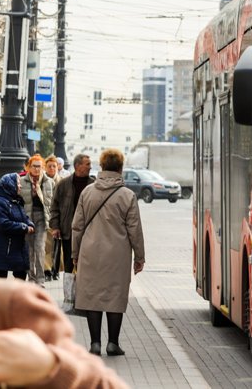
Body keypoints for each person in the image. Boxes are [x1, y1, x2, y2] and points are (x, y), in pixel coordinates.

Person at [0, 258, 129, 388]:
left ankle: (97, 342)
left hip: (93, 257)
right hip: (110, 260)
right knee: (108, 299)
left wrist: (50, 367)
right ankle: (105, 342)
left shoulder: (1, 305)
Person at [72, 148, 145, 357]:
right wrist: (139, 257)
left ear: (101, 167)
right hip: (118, 255)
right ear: (120, 168)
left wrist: (75, 253)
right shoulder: (127, 195)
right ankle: (113, 343)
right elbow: (135, 229)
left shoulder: (87, 192)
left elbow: (77, 226)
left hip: (89, 253)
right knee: (114, 295)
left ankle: (95, 343)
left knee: (91, 296)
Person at [50, 154, 94, 275]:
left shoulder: (94, 185)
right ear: (77, 166)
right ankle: (69, 293)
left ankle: (83, 292)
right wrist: (55, 226)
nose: (90, 167)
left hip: (88, 234)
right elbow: (54, 207)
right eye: (87, 164)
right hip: (68, 232)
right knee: (69, 267)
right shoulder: (63, 184)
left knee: (86, 266)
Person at [0, 172, 34, 280]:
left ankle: (17, 297)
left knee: (21, 277)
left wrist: (29, 223)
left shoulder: (16, 200)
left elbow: (23, 217)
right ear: (10, 185)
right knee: (0, 282)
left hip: (17, 247)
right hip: (4, 248)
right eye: (18, 183)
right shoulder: (0, 202)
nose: (20, 185)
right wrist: (24, 227)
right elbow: (3, 224)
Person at [19, 154, 56, 286]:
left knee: (40, 248)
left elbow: (53, 203)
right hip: (27, 218)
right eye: (34, 166)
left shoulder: (49, 182)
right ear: (29, 167)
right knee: (29, 250)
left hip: (42, 217)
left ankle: (40, 278)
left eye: (39, 167)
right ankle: (31, 278)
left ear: (43, 167)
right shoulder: (22, 181)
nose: (37, 169)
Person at [44, 155, 63, 281]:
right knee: (47, 247)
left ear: (58, 167)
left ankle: (55, 270)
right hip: (46, 218)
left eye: (54, 166)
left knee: (58, 247)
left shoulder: (62, 181)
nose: (52, 168)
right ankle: (47, 271)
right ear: (45, 167)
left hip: (60, 218)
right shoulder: (42, 181)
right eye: (49, 166)